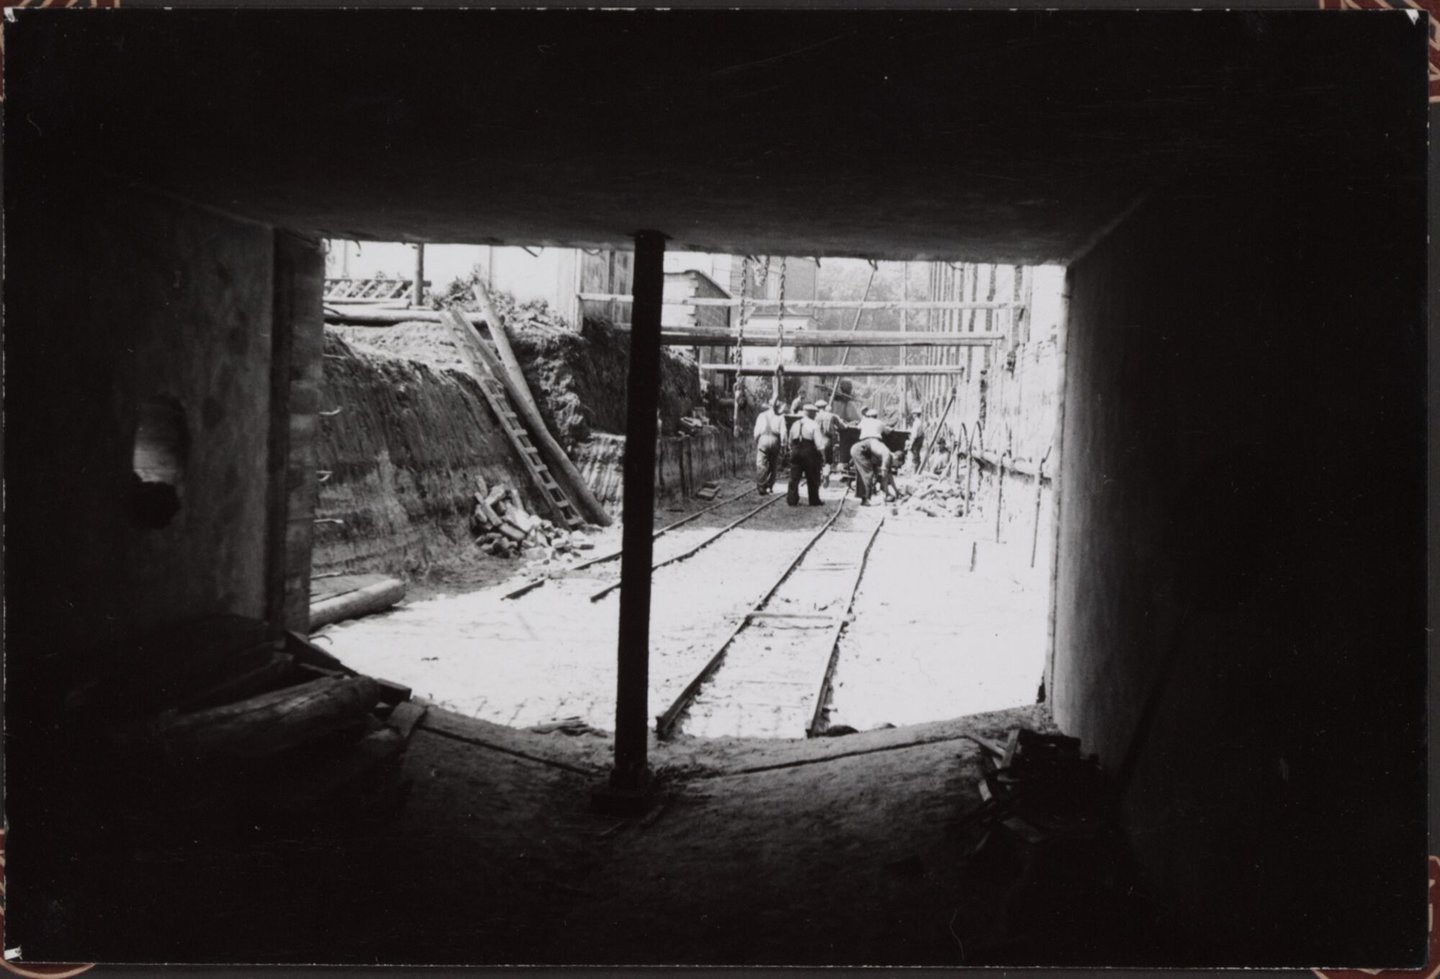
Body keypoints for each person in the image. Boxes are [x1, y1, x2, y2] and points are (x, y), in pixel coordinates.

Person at [849, 407, 896, 506]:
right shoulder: (880, 422)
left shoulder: (864, 422)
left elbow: (857, 427)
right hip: (872, 443)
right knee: (867, 473)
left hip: (861, 445)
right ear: (876, 416)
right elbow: (888, 431)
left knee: (862, 473)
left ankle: (864, 497)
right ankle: (865, 499)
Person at [786, 403, 827, 506]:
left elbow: (790, 440)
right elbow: (819, 444)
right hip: (809, 453)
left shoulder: (795, 424)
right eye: (814, 413)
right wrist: (823, 456)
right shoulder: (814, 425)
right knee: (813, 476)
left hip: (795, 451)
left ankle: (792, 499)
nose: (815, 415)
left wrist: (793, 450)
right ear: (812, 414)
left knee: (794, 477)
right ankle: (814, 500)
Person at [752, 397, 788, 494]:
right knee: (773, 464)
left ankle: (761, 487)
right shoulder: (781, 417)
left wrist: (757, 441)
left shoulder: (761, 415)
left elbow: (756, 432)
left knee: (761, 464)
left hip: (763, 439)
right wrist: (783, 445)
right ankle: (769, 486)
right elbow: (783, 433)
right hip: (775, 440)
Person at [814, 399, 841, 481]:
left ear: (817, 408)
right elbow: (841, 425)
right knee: (828, 460)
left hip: (817, 439)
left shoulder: (815, 416)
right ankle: (825, 474)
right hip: (827, 440)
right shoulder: (832, 415)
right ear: (825, 407)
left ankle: (817, 475)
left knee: (817, 458)